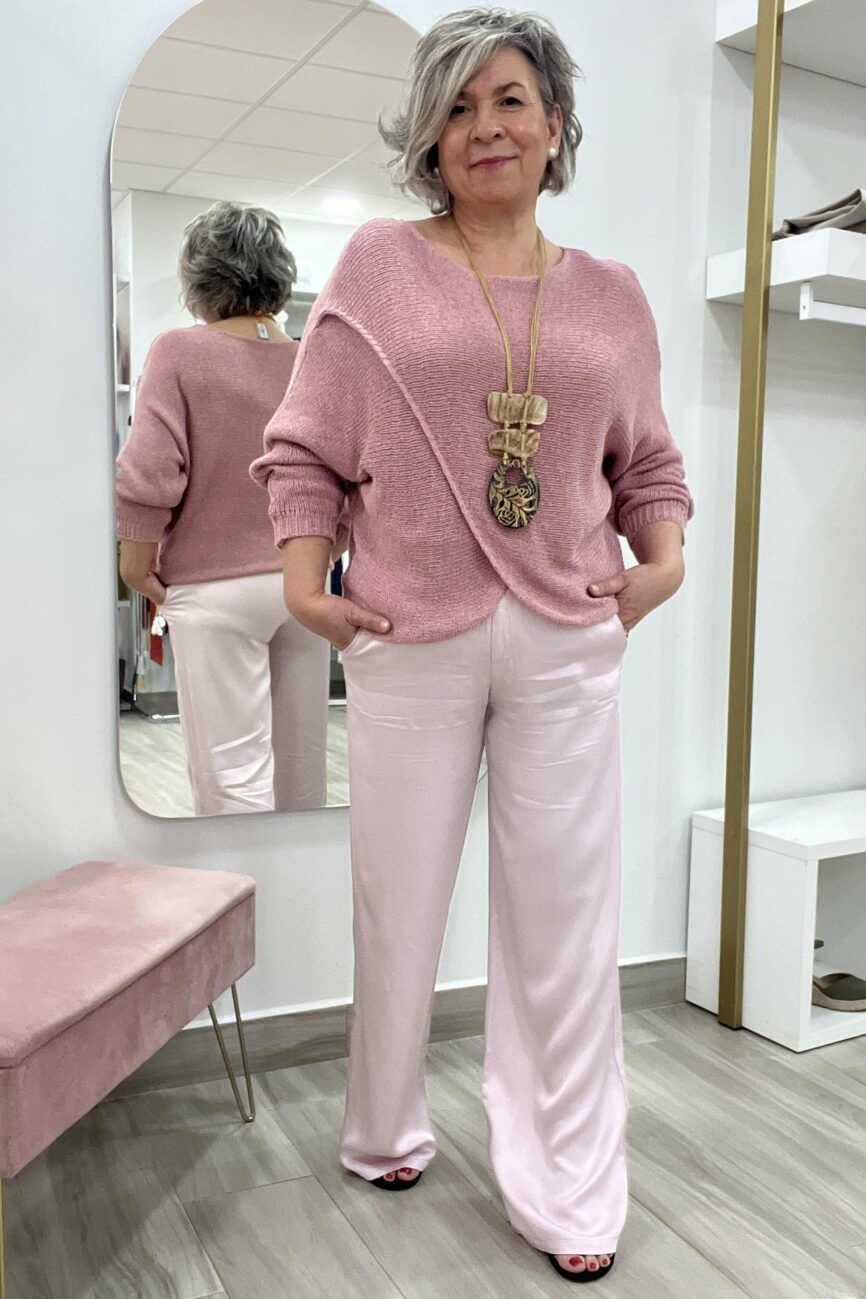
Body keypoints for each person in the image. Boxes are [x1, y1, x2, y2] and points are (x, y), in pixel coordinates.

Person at [251, 7, 694, 1283]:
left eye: (506, 101)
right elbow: (306, 447)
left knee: (565, 921)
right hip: (407, 629)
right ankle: (383, 1126)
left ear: (553, 124)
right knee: (397, 903)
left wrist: (662, 563)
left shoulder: (611, 295)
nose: (482, 127)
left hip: (566, 631)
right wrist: (304, 586)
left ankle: (570, 1190)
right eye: (454, 107)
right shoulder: (377, 269)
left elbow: (645, 458)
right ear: (426, 139)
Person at [117, 201, 343, 816]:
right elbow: (348, 472)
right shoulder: (310, 359)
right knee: (302, 773)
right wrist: (332, 547)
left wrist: (135, 563)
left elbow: (150, 471)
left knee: (231, 779)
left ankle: (239, 882)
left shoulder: (178, 352)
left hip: (213, 589)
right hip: (300, 582)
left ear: (199, 277)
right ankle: (302, 882)